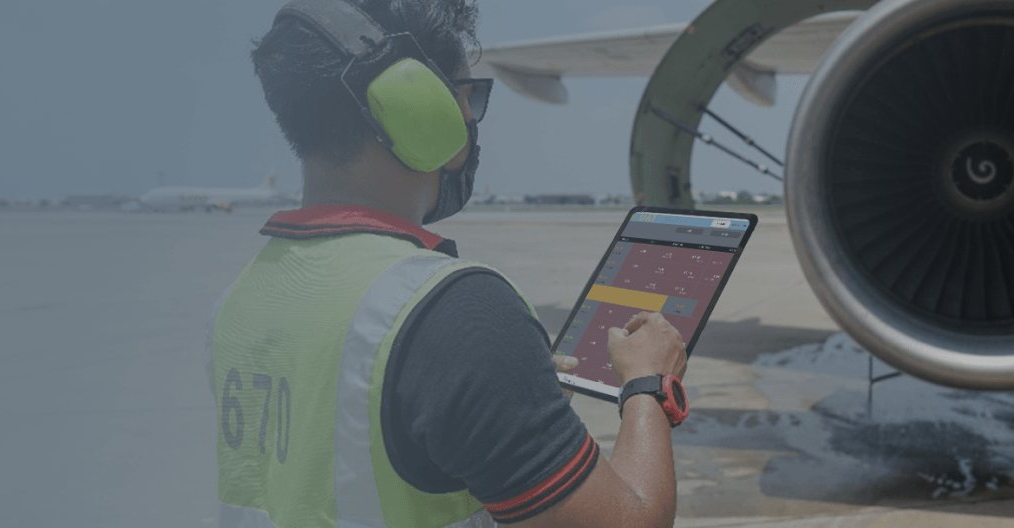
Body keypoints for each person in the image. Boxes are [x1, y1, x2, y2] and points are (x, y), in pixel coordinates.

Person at [207, 0, 691, 527]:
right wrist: (648, 385)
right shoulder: (454, 310)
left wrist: (494, 392)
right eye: (467, 96)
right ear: (419, 104)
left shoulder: (240, 299)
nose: (469, 120)